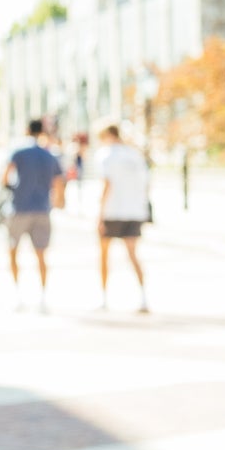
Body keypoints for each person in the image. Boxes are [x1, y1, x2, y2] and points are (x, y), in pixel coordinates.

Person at [4, 119, 65, 312]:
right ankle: (43, 297)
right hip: (42, 208)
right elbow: (58, 184)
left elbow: (5, 177)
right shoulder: (50, 155)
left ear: (27, 130)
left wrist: (12, 188)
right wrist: (56, 203)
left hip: (19, 207)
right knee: (41, 254)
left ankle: (17, 294)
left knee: (13, 251)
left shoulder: (18, 151)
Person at [95, 124, 150, 313]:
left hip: (112, 211)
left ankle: (103, 298)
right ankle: (143, 298)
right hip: (134, 211)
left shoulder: (106, 155)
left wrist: (99, 216)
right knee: (133, 255)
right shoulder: (135, 155)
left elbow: (106, 185)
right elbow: (146, 184)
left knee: (104, 255)